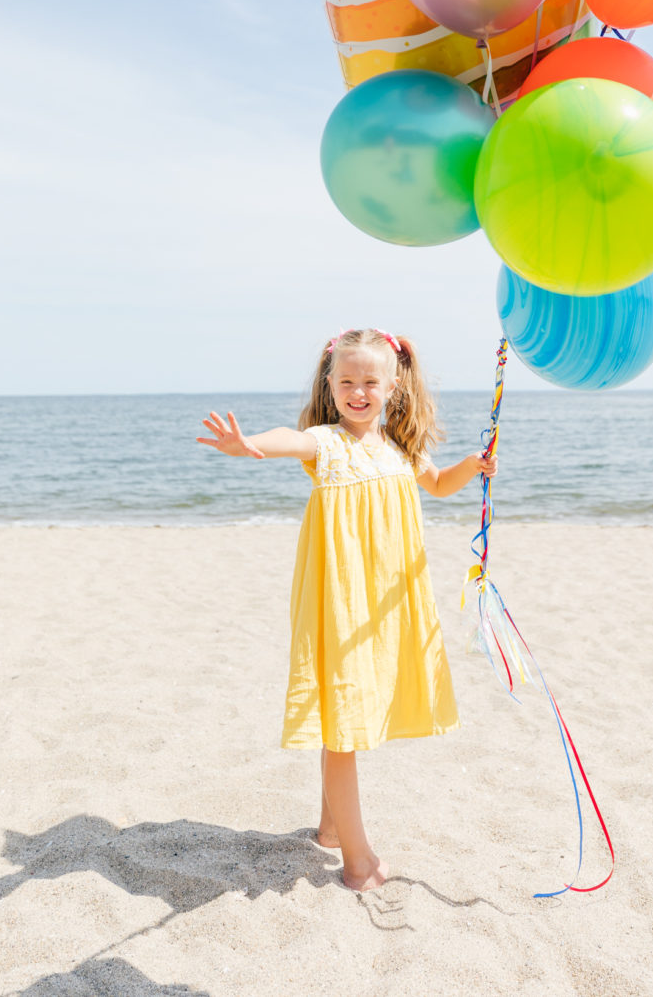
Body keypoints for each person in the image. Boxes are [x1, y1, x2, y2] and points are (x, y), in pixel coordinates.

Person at [197, 326, 495, 892]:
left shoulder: (402, 448)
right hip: (339, 601)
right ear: (330, 384)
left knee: (355, 711)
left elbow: (437, 485)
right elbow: (289, 437)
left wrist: (473, 467)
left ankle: (331, 827)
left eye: (370, 382)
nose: (358, 392)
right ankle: (358, 862)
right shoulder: (328, 443)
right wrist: (249, 444)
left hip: (384, 607)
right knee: (343, 725)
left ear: (394, 387)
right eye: (347, 381)